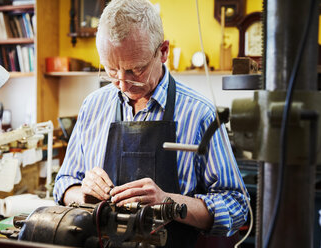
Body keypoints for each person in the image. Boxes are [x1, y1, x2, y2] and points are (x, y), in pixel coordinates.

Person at [53, 0, 249, 247]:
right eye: (112, 70)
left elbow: (236, 205)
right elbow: (63, 183)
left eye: (136, 71)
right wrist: (83, 192)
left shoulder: (200, 113)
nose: (122, 85)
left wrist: (168, 203)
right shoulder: (92, 106)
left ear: (163, 51)